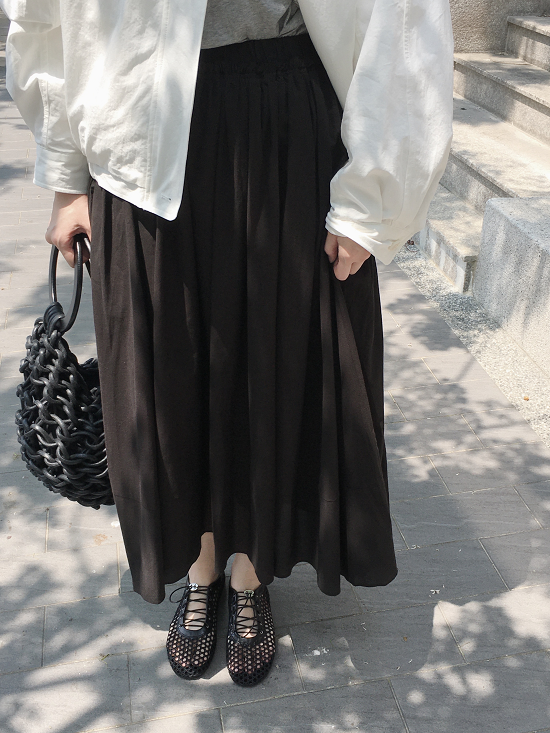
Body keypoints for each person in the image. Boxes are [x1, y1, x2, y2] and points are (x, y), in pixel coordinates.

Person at [2, 0, 454, 686]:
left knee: (268, 364)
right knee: (173, 370)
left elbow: (404, 15)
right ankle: (201, 567)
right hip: (136, 127)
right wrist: (65, 173)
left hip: (284, 121)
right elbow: (44, 10)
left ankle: (250, 574)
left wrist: (376, 194)